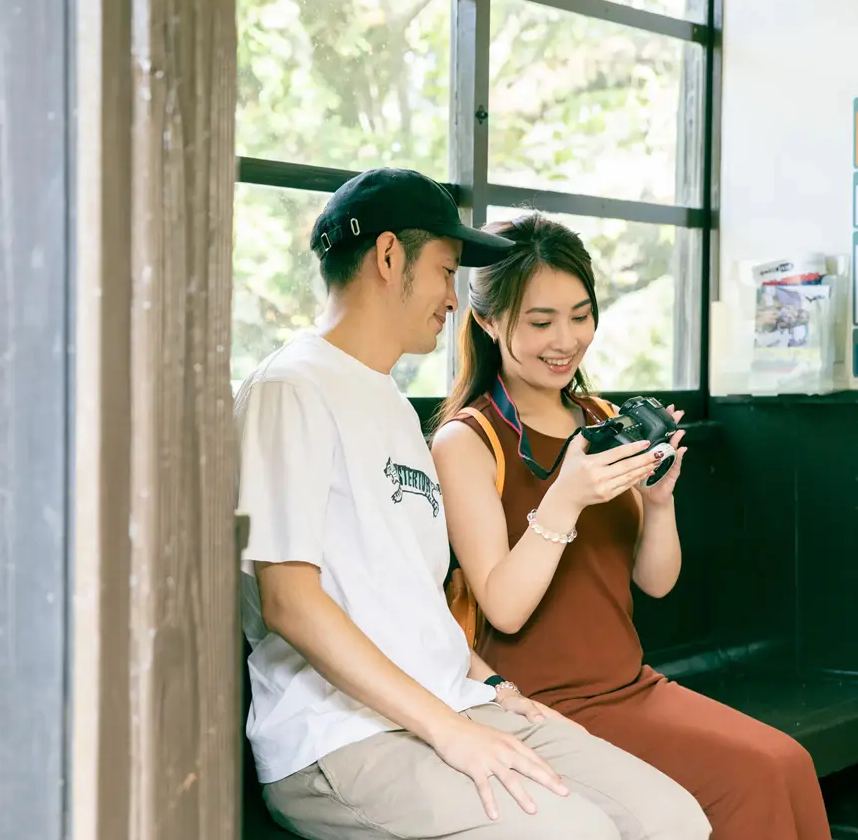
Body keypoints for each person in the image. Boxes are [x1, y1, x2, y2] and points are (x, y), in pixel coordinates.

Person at [235, 168, 712, 840]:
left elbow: (412, 603)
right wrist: (449, 731)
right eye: (445, 271)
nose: (454, 299)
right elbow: (288, 602)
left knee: (673, 821)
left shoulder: (390, 403)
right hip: (339, 737)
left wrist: (491, 687)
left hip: (456, 702)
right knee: (577, 834)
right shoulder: (291, 388)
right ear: (389, 256)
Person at [429, 213, 830, 840]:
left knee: (787, 762)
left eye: (581, 315)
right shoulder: (466, 440)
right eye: (541, 322)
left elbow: (656, 582)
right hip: (537, 707)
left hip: (631, 685)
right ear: (488, 322)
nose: (567, 340)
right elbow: (503, 609)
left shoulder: (601, 417)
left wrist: (660, 502)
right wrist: (565, 499)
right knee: (755, 777)